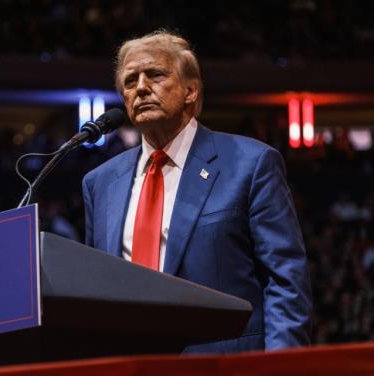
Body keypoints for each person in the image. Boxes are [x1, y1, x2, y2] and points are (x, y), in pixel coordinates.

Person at [82, 30, 312, 353]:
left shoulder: (251, 164)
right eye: (130, 81)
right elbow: (96, 296)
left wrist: (282, 374)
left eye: (156, 75)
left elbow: (286, 283)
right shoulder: (100, 183)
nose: (141, 87)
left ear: (191, 91)